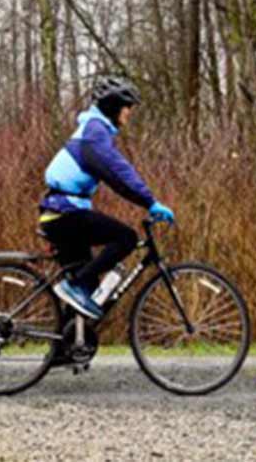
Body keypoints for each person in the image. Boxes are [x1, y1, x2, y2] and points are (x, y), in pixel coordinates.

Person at [38, 75, 174, 321]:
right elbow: (119, 174)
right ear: (113, 106)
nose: (129, 113)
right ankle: (76, 286)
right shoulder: (94, 134)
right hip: (64, 214)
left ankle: (67, 352)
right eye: (127, 107)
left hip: (60, 213)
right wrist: (150, 202)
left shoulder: (93, 130)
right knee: (126, 237)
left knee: (83, 294)